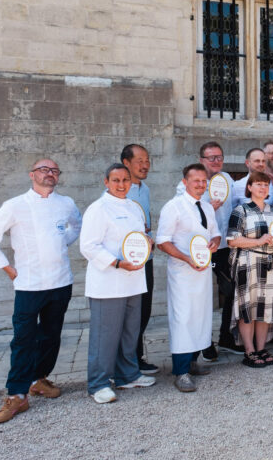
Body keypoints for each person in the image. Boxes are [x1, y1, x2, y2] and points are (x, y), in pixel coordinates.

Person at [0, 159, 82, 423]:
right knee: (23, 339)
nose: (50, 174)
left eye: (55, 170)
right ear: (32, 175)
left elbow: (75, 227)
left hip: (60, 281)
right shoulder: (15, 205)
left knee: (51, 337)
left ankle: (39, 379)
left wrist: (61, 242)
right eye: (44, 170)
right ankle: (16, 395)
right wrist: (8, 269)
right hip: (29, 284)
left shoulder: (66, 203)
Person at [80, 163, 156, 404]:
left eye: (125, 180)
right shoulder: (98, 209)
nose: (121, 185)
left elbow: (140, 236)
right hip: (108, 281)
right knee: (105, 335)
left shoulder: (134, 207)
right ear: (106, 182)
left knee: (129, 332)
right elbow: (88, 246)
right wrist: (116, 263)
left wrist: (147, 244)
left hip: (133, 280)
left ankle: (127, 375)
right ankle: (98, 383)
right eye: (116, 180)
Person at [156, 164, 221, 391]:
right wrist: (186, 258)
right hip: (182, 272)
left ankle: (193, 362)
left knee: (200, 316)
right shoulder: (173, 207)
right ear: (185, 182)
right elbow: (162, 241)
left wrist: (215, 242)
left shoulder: (207, 207)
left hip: (202, 271)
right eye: (196, 181)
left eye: (204, 181)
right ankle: (181, 371)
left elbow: (216, 234)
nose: (201, 185)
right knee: (183, 318)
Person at [177, 142, 242, 359]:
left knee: (232, 290)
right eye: (211, 157)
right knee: (203, 296)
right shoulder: (188, 184)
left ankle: (226, 337)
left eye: (219, 157)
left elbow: (235, 206)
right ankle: (202, 344)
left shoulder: (228, 180)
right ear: (202, 159)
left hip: (224, 246)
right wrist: (207, 207)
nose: (216, 161)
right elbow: (184, 209)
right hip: (200, 249)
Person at [228, 171, 273, 368]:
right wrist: (258, 241)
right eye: (258, 184)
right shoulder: (240, 211)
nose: (262, 188)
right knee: (248, 309)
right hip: (249, 263)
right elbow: (233, 240)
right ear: (249, 187)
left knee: (265, 309)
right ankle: (249, 350)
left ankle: (261, 348)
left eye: (266, 185)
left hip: (270, 263)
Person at [120, 144, 159, 374]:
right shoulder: (121, 190)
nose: (145, 165)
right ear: (126, 163)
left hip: (147, 258)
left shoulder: (145, 189)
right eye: (140, 160)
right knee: (128, 313)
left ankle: (135, 356)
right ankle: (125, 361)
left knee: (143, 310)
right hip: (127, 261)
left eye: (147, 160)